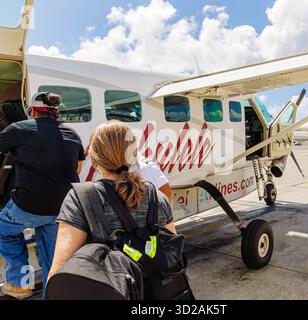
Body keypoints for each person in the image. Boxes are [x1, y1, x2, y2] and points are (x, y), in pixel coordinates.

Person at [48, 121, 176, 281]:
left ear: (94, 160)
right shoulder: (156, 196)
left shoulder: (79, 199)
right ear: (134, 154)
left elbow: (59, 272)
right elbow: (172, 252)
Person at [0, 92, 86, 299]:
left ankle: (20, 284)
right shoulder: (72, 134)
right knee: (51, 258)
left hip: (27, 205)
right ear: (56, 113)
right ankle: (52, 294)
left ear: (33, 111)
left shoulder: (19, 129)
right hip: (62, 208)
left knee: (4, 231)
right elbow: (78, 167)